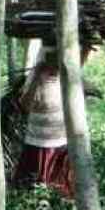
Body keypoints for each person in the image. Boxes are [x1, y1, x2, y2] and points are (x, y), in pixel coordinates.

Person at [12, 44, 91, 198]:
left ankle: (57, 204)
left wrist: (86, 48)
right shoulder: (36, 76)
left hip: (61, 140)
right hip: (39, 142)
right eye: (51, 60)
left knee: (61, 187)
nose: (53, 65)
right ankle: (34, 204)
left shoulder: (68, 75)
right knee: (33, 186)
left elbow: (80, 61)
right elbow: (25, 105)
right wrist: (37, 77)